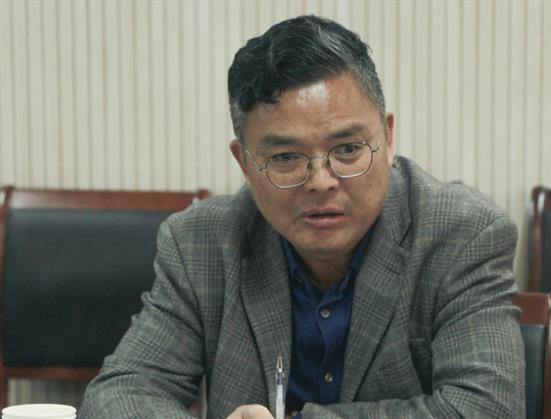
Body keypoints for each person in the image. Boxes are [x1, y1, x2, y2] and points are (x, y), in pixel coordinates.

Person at [79, 15, 525, 419]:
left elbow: (487, 409)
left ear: (387, 139)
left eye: (347, 149)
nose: (321, 181)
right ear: (245, 163)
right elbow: (118, 395)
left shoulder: (461, 234)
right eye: (286, 157)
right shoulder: (201, 243)